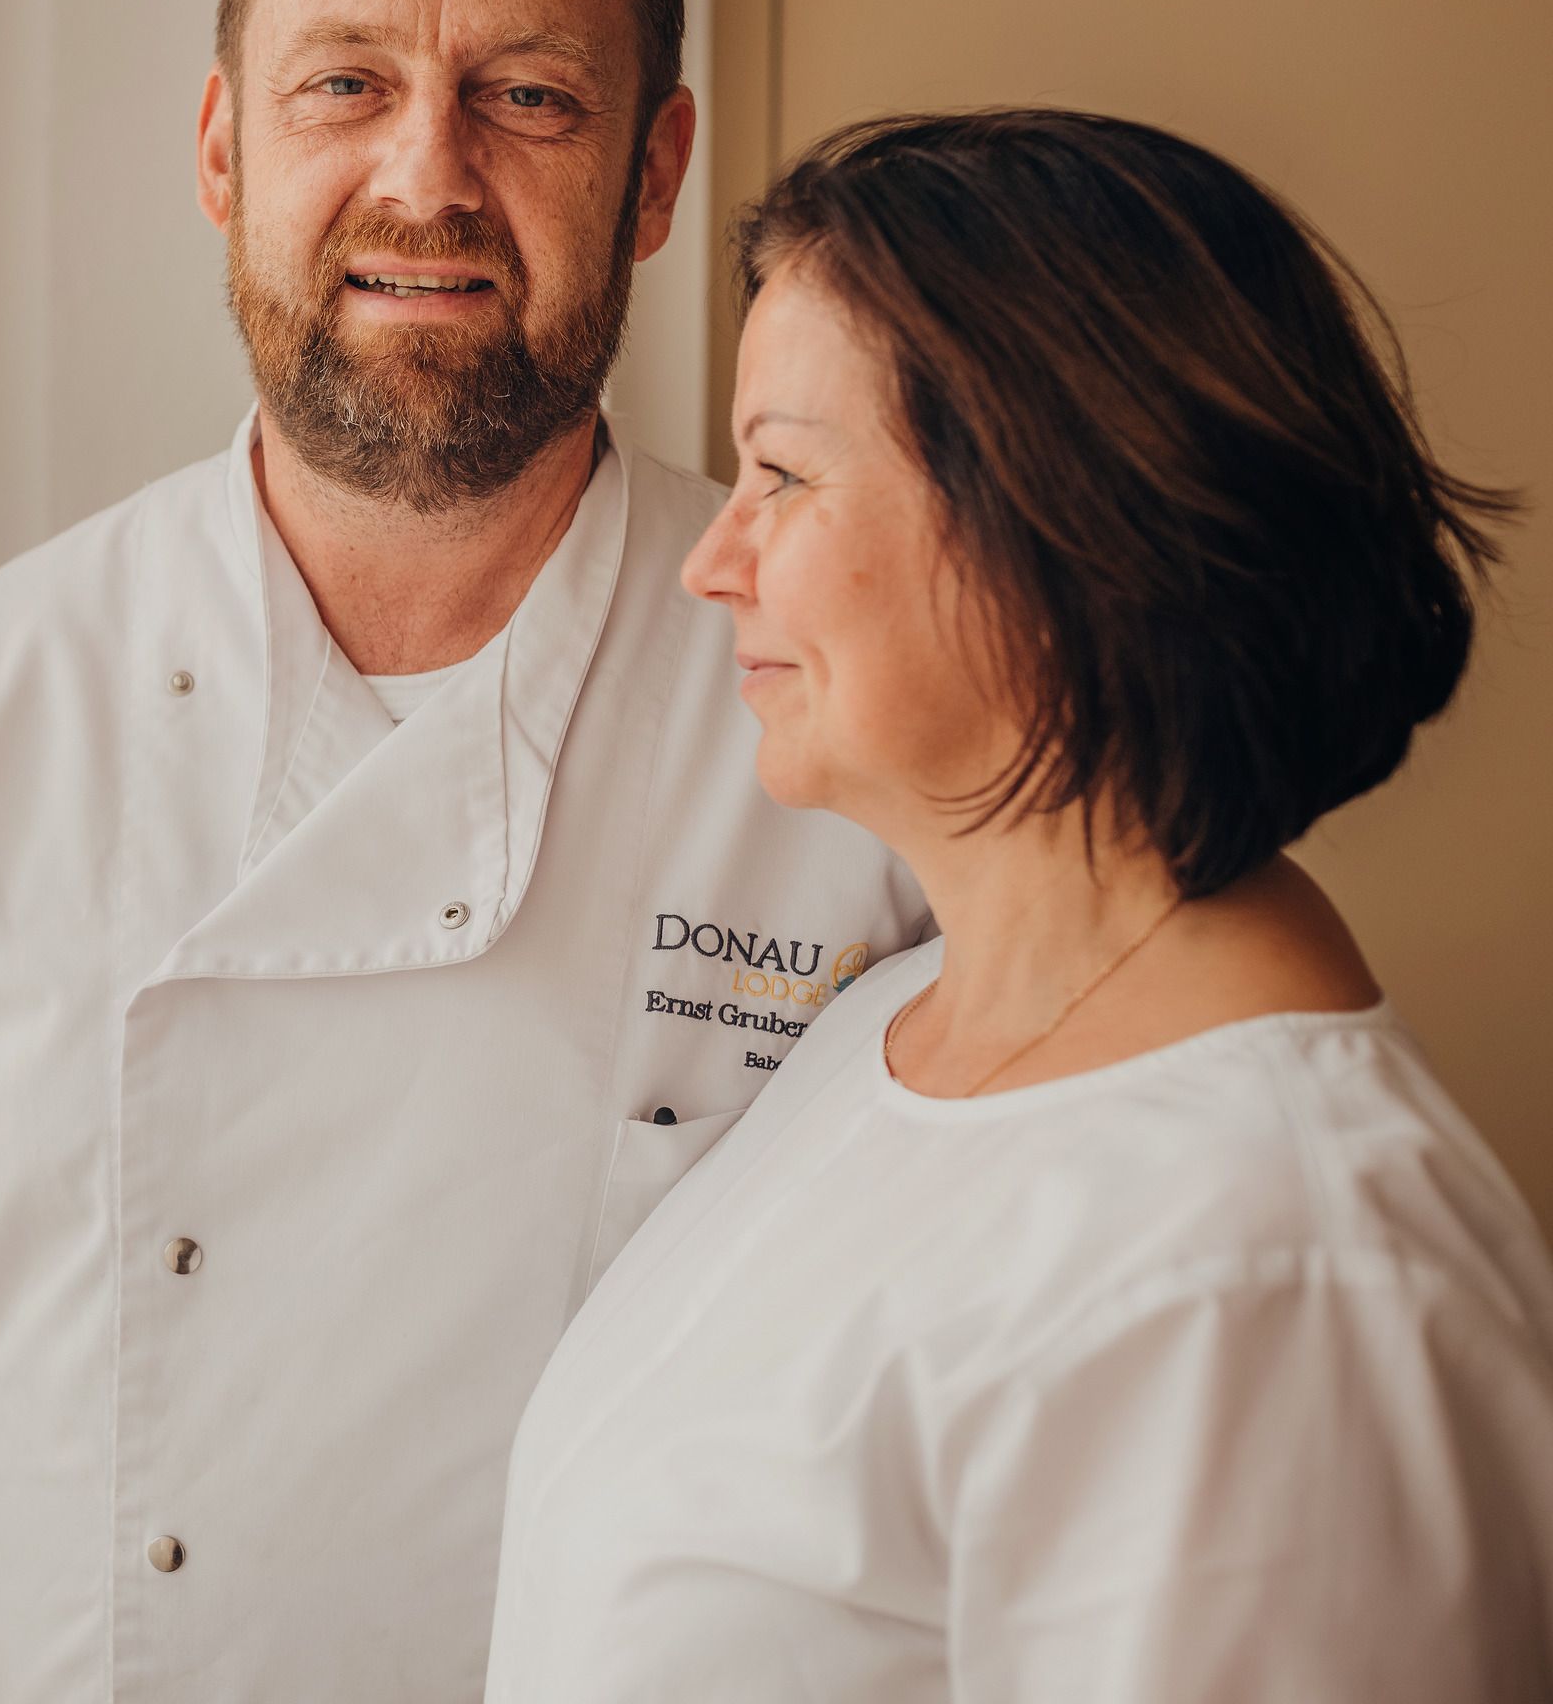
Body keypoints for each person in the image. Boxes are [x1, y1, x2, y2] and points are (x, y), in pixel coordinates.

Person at [0, 0, 931, 1704]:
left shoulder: (854, 715)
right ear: (223, 150)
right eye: (343, 84)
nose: (427, 174)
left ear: (656, 173)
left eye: (527, 97)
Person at [484, 108, 1553, 1700]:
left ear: (1059, 528)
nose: (716, 560)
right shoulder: (879, 1037)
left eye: (780, 473)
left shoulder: (1270, 1279)